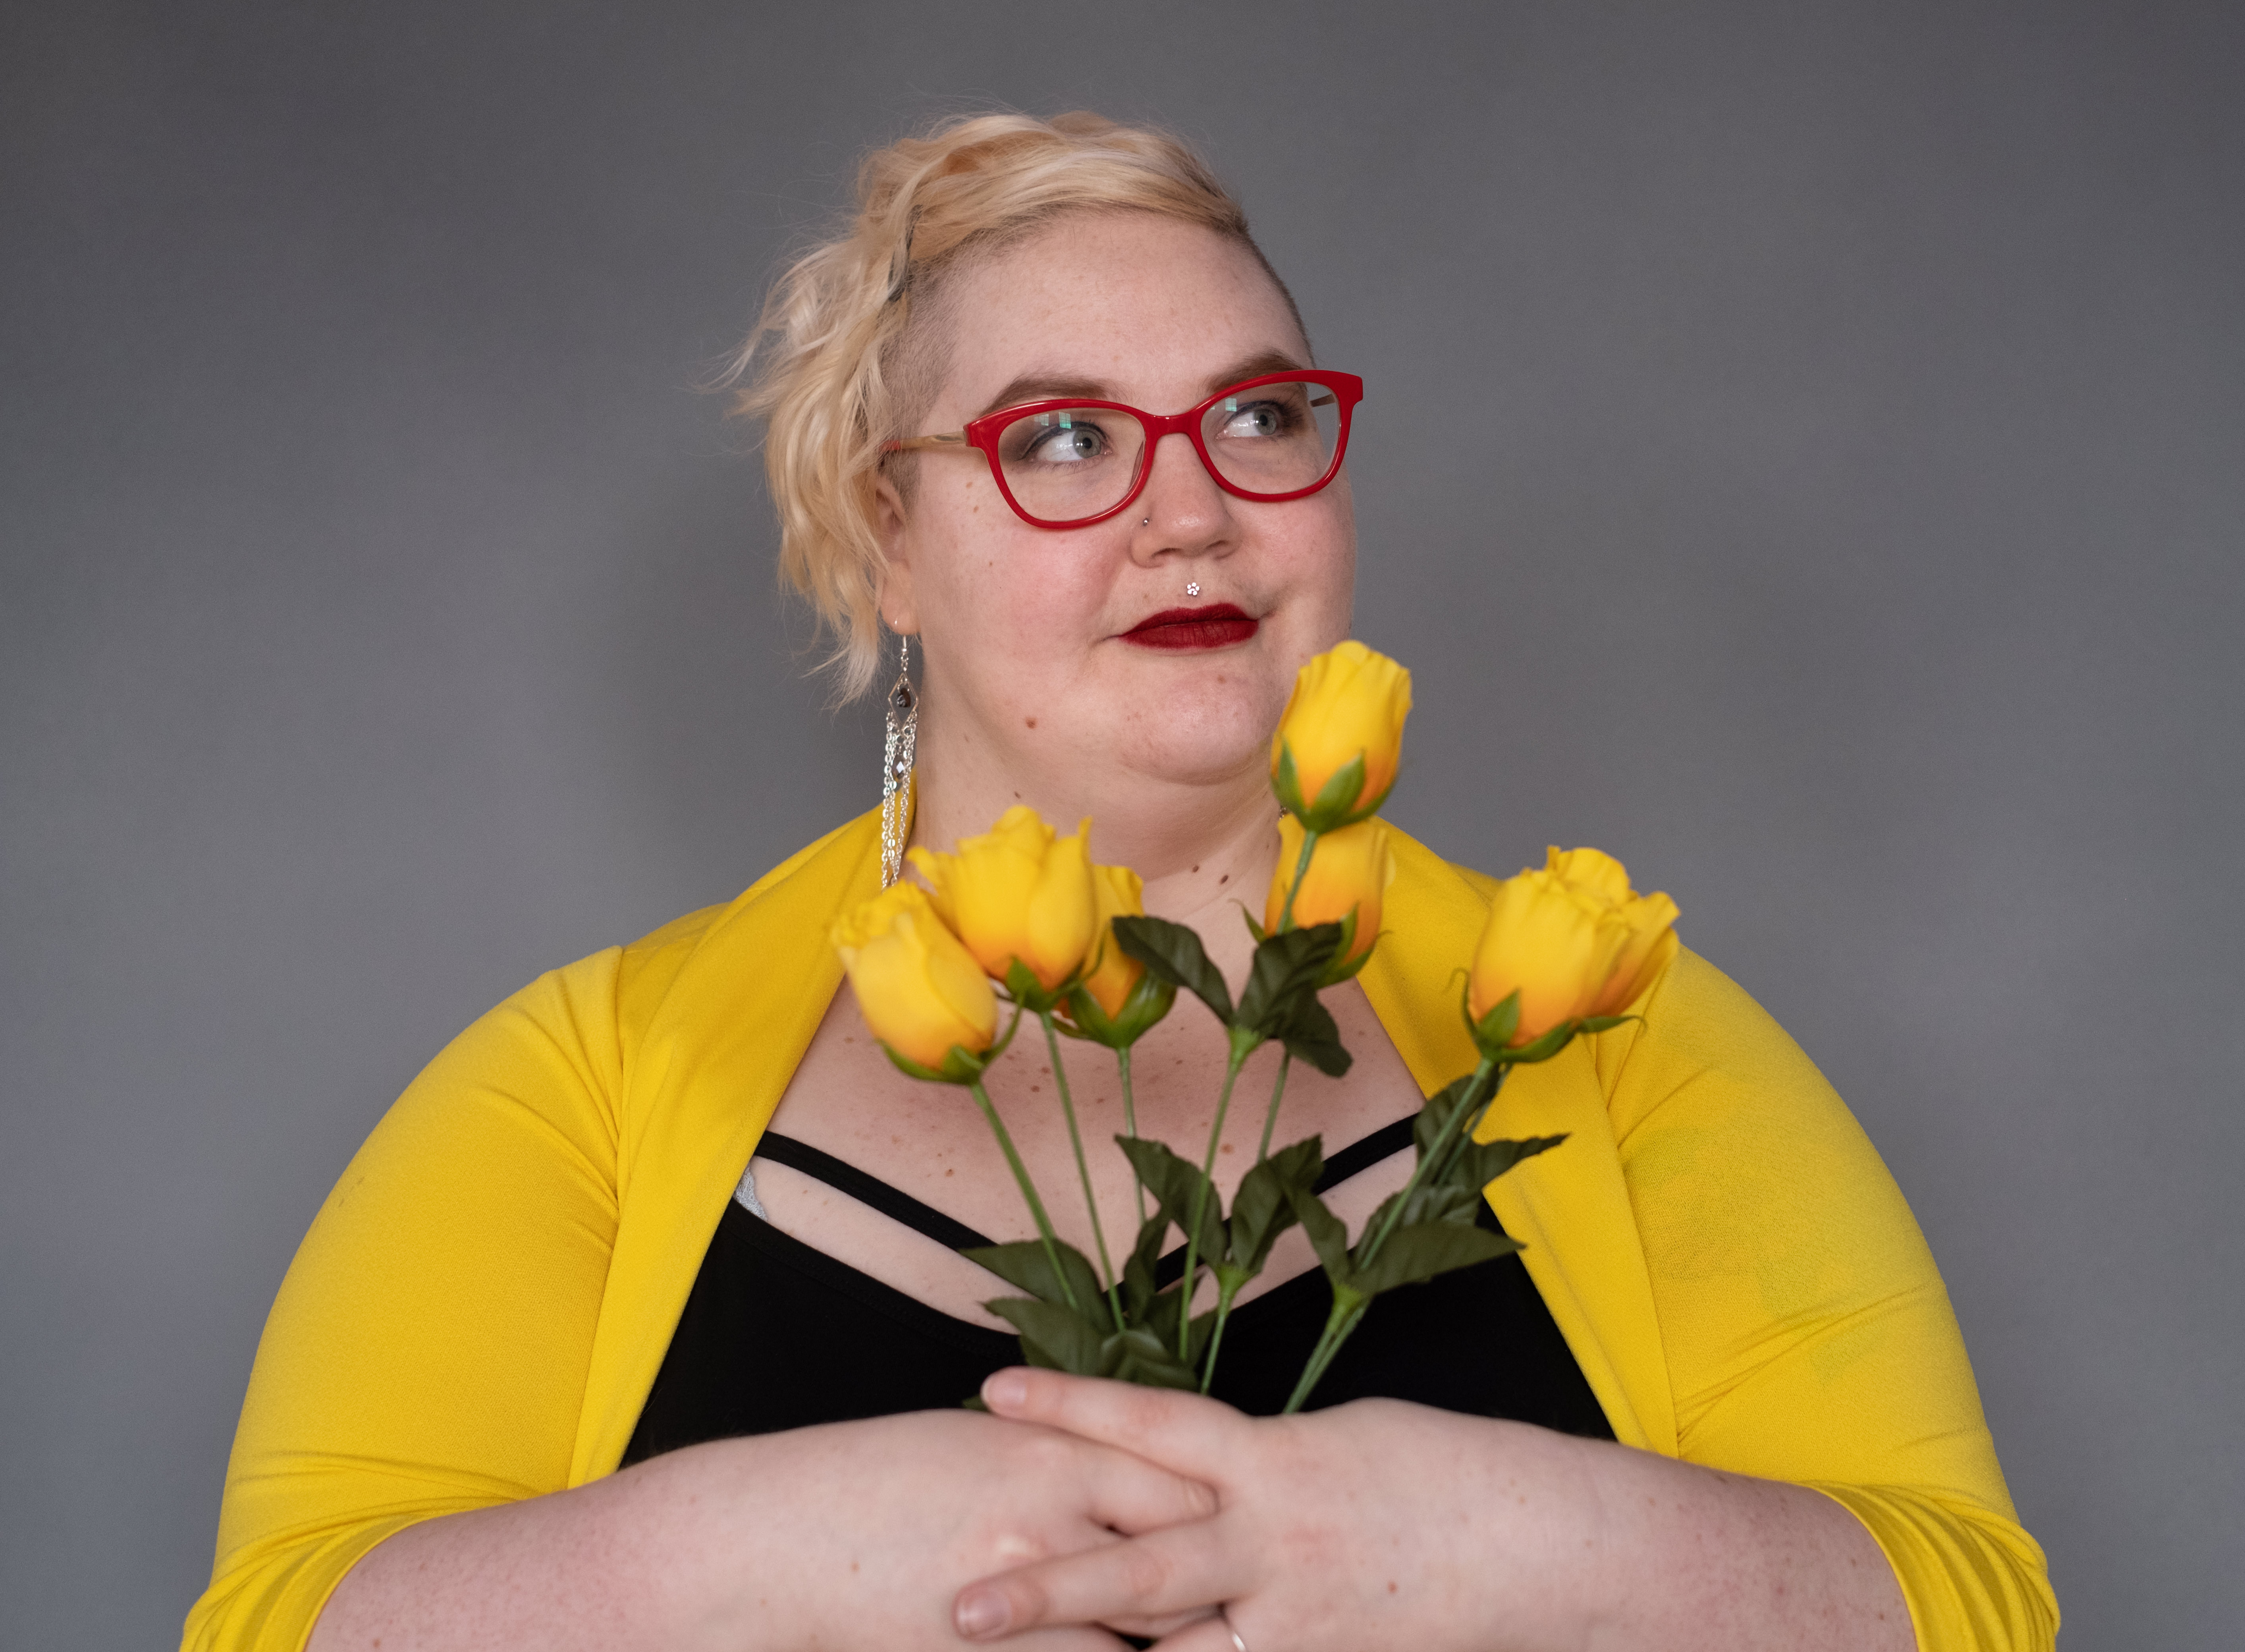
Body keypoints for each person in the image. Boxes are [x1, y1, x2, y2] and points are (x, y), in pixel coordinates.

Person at [185, 112, 2058, 1652]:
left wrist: (1510, 1534)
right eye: (1061, 434)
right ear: (882, 539)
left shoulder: (1617, 1033)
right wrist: (753, 1552)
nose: (1192, 508)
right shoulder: (591, 1085)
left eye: (1258, 417)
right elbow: (273, 1624)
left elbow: (1975, 1605)